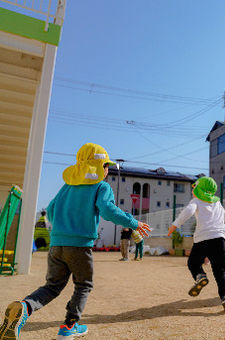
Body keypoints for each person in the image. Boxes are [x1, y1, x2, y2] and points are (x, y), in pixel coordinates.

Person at [0, 143, 151, 340]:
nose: (107, 170)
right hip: (79, 246)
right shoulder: (101, 186)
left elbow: (52, 210)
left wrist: (63, 231)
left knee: (52, 286)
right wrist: (133, 222)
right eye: (106, 166)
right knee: (83, 285)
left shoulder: (67, 186)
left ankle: (25, 307)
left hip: (57, 245)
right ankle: (69, 326)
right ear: (100, 167)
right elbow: (107, 210)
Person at [167, 176, 225, 312]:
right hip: (219, 238)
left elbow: (189, 211)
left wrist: (175, 225)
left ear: (199, 189)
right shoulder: (217, 203)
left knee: (193, 263)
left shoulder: (196, 201)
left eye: (194, 187)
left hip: (203, 239)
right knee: (221, 271)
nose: (193, 190)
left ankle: (200, 276)